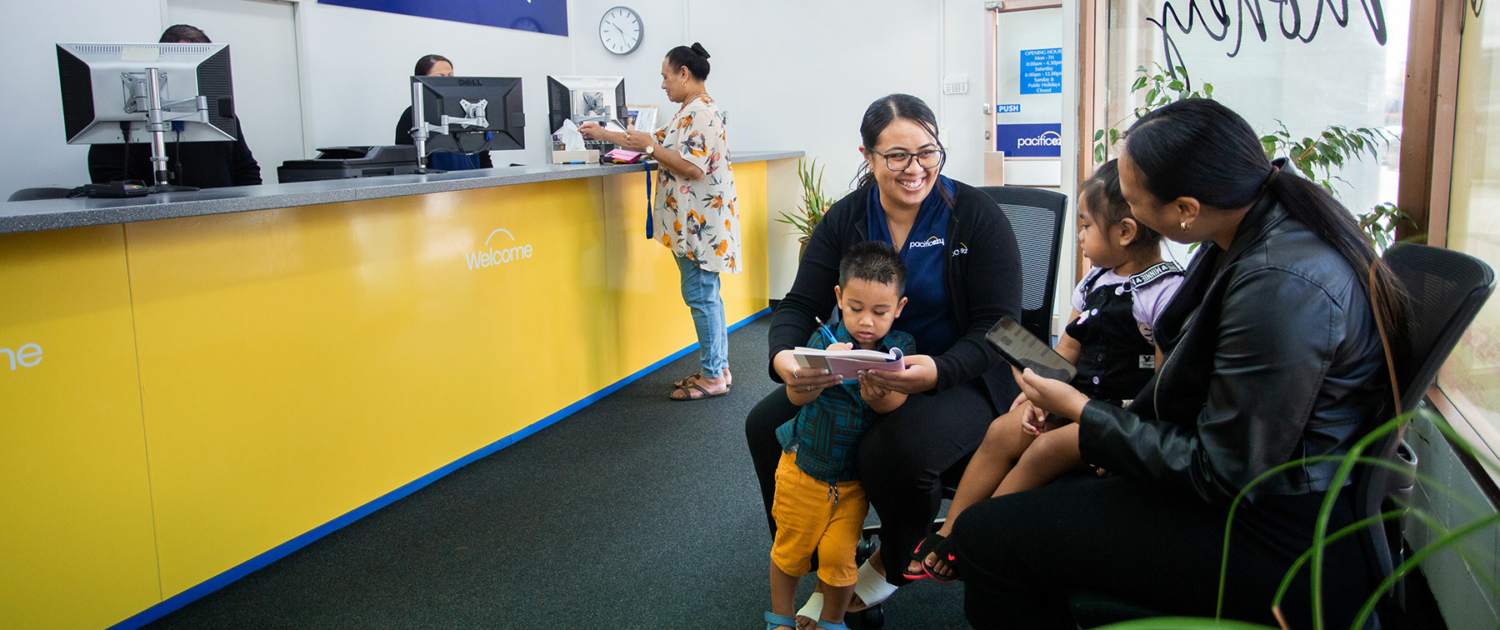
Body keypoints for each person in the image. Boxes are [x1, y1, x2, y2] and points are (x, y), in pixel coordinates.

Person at [948, 98, 1409, 629]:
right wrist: (1093, 419)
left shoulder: (1279, 288)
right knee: (1014, 519)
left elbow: (1223, 473)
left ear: (1184, 209)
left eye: (1132, 197)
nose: (1125, 208)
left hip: (1276, 531)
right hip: (1260, 492)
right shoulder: (1253, 231)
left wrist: (1082, 412)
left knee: (987, 539)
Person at [746, 93, 1024, 624]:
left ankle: (894, 562)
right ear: (868, 156)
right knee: (764, 423)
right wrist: (785, 358)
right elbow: (800, 303)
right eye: (896, 156)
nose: (915, 168)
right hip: (856, 368)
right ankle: (811, 547)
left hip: (957, 373)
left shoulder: (974, 217)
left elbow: (1000, 326)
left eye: (928, 152)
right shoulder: (847, 217)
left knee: (892, 450)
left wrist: (937, 371)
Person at [904, 159, 1182, 582]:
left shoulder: (1163, 292)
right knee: (1002, 431)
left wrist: (1123, 441)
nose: (1080, 237)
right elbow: (1067, 349)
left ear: (1125, 232)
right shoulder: (1093, 283)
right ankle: (951, 527)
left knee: (1043, 451)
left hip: (1119, 416)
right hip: (1073, 398)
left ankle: (975, 537)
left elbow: (1164, 388)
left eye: (1086, 227)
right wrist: (1039, 396)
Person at [766, 242, 916, 630]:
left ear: (898, 307)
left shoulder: (902, 349)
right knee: (790, 552)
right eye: (855, 308)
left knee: (839, 560)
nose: (866, 321)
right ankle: (779, 620)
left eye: (880, 312)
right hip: (804, 471)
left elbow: (897, 404)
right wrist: (815, 376)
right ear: (839, 298)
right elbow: (795, 396)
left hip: (850, 484)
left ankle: (833, 621)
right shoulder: (823, 340)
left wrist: (880, 396)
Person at [578, 43, 739, 401]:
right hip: (695, 224)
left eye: (666, 76)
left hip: (698, 227)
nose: (663, 85)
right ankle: (718, 368)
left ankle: (713, 375)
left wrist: (650, 148)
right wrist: (605, 134)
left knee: (701, 296)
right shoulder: (690, 111)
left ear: (684, 73)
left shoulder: (699, 114)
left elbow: (691, 166)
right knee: (706, 296)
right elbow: (653, 142)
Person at [88, 24, 262, 189]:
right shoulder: (125, 119)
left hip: (222, 217)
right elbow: (109, 180)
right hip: (155, 218)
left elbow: (247, 170)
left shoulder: (218, 115)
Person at [394, 54, 494, 170]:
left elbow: (482, 152)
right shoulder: (413, 115)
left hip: (474, 184)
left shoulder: (468, 111)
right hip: (435, 184)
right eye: (440, 77)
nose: (447, 82)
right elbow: (406, 162)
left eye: (450, 76)